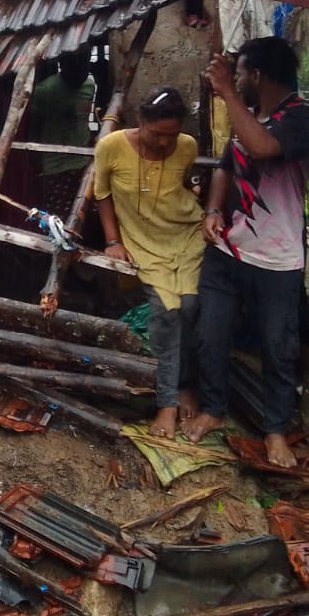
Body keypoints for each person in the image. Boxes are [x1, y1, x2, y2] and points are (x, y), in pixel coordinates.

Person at [183, 37, 309, 468]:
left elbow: (262, 148)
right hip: (228, 252)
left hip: (277, 261)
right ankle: (214, 409)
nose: (237, 79)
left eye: (241, 73)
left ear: (257, 76)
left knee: (277, 347)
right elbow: (227, 165)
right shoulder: (253, 116)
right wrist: (212, 210)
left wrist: (225, 92)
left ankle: (276, 431)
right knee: (210, 335)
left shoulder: (302, 120)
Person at [94, 87, 205, 439]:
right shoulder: (110, 147)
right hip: (144, 244)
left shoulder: (186, 146)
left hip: (187, 235)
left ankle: (185, 384)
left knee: (191, 307)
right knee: (165, 312)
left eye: (171, 135)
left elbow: (185, 183)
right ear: (140, 122)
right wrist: (113, 241)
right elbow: (102, 196)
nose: (164, 143)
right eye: (158, 134)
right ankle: (167, 402)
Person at [30, 50, 96, 216]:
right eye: (74, 66)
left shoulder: (89, 85)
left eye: (84, 65)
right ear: (62, 65)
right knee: (59, 220)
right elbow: (34, 130)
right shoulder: (46, 91)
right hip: (56, 167)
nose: (80, 71)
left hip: (84, 161)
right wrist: (38, 164)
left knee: (85, 214)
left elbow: (86, 120)